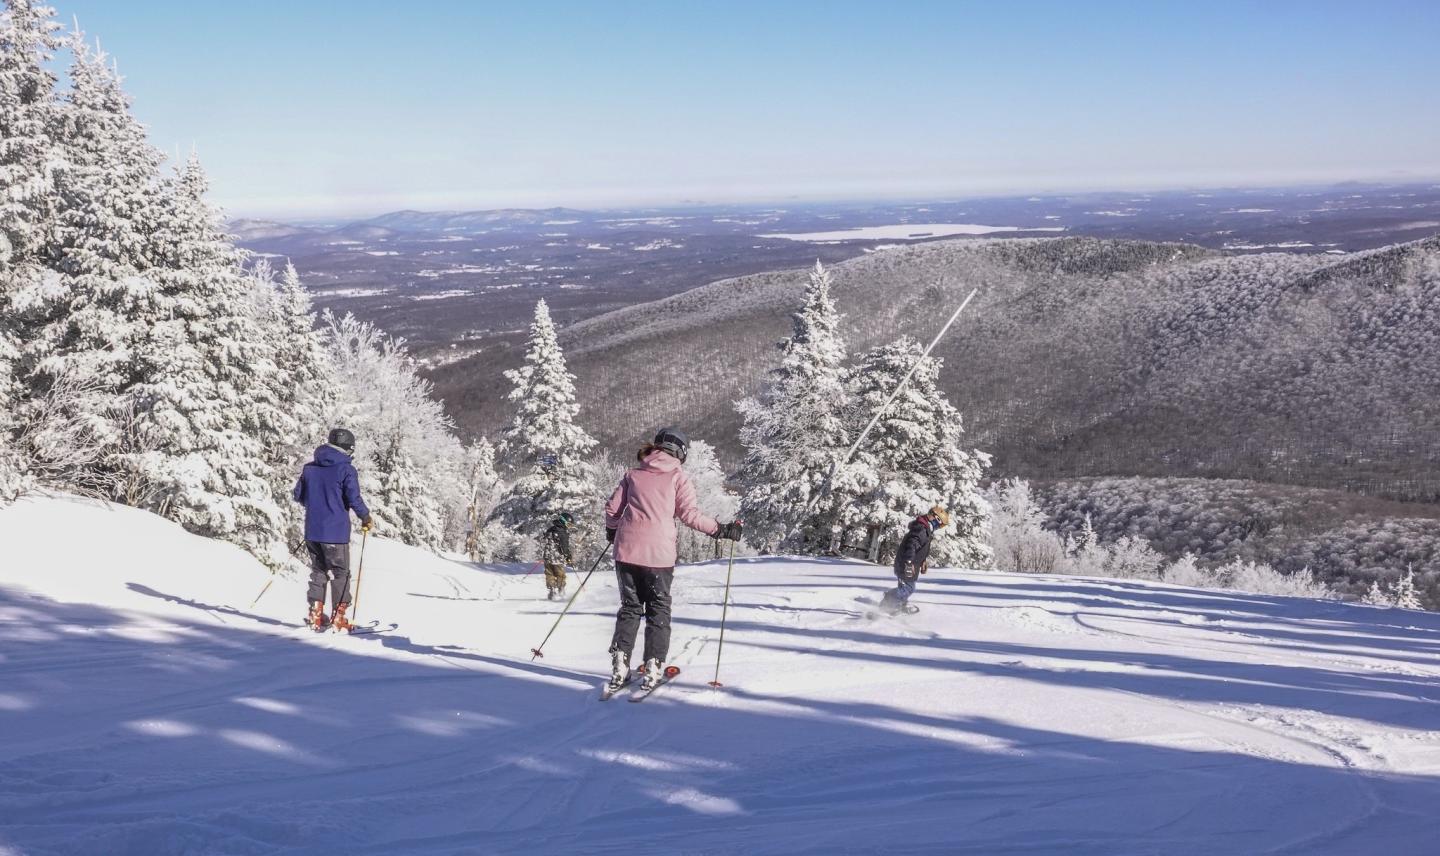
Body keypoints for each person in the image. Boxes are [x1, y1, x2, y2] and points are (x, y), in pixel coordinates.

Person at [604, 427, 742, 691]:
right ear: (681, 452)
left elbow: (612, 509)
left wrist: (613, 531)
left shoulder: (633, 475)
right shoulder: (678, 478)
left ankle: (620, 664)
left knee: (630, 608)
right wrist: (721, 529)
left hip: (626, 552)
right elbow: (690, 515)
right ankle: (654, 666)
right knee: (658, 609)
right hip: (658, 556)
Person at [292, 428, 373, 632]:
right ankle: (339, 617)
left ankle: (316, 614)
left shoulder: (309, 469)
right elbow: (354, 499)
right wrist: (365, 516)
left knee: (318, 572)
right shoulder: (346, 470)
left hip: (312, 531)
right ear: (347, 448)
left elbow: (298, 496)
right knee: (340, 573)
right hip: (335, 532)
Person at [879, 505, 950, 615]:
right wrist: (908, 562)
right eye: (940, 525)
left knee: (904, 587)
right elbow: (911, 546)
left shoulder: (925, 529)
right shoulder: (922, 529)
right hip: (905, 563)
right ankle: (889, 605)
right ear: (936, 520)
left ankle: (898, 604)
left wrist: (923, 561)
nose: (939, 528)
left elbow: (919, 548)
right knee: (908, 588)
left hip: (910, 563)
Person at [541, 512, 575, 600]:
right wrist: (568, 556)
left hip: (548, 557)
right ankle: (561, 590)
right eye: (568, 524)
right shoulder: (562, 532)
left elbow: (545, 541)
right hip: (557, 558)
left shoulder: (551, 529)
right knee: (560, 574)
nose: (568, 526)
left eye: (570, 525)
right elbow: (564, 547)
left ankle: (552, 589)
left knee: (549, 573)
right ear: (563, 521)